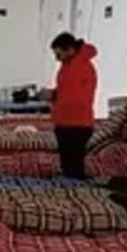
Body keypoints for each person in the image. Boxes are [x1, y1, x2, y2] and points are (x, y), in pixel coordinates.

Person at [43, 33, 98, 179]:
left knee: (74, 165)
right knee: (68, 164)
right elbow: (66, 91)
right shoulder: (67, 65)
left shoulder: (82, 66)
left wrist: (54, 96)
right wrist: (53, 93)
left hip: (77, 123)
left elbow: (75, 99)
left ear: (69, 49)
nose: (56, 57)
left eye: (58, 53)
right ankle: (69, 189)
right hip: (66, 121)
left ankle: (77, 192)